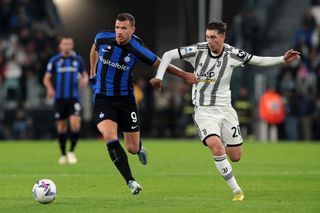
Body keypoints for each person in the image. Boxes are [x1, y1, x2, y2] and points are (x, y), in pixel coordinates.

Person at [150, 21, 300, 201]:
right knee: (216, 146)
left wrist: (282, 59)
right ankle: (237, 190)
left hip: (226, 110)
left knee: (235, 156)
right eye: (207, 37)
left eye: (213, 37)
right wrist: (159, 77)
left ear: (223, 37)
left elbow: (257, 60)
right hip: (204, 111)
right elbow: (167, 55)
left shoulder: (232, 54)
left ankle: (221, 146)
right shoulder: (198, 50)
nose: (209, 41)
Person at [89, 13, 195, 195]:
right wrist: (92, 72)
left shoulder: (137, 49)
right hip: (103, 98)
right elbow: (93, 49)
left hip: (126, 101)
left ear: (132, 29)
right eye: (117, 27)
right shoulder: (102, 38)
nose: (119, 32)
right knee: (110, 136)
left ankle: (139, 148)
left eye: (123, 28)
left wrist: (185, 75)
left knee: (131, 147)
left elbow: (162, 64)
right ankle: (130, 181)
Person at [43, 36, 89, 165]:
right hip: (59, 99)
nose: (67, 46)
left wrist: (85, 79)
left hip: (73, 98)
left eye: (69, 43)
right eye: (65, 43)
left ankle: (71, 151)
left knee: (75, 125)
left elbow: (84, 74)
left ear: (72, 45)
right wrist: (50, 89)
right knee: (62, 128)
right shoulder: (55, 60)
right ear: (60, 46)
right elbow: (46, 78)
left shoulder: (77, 60)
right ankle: (63, 154)